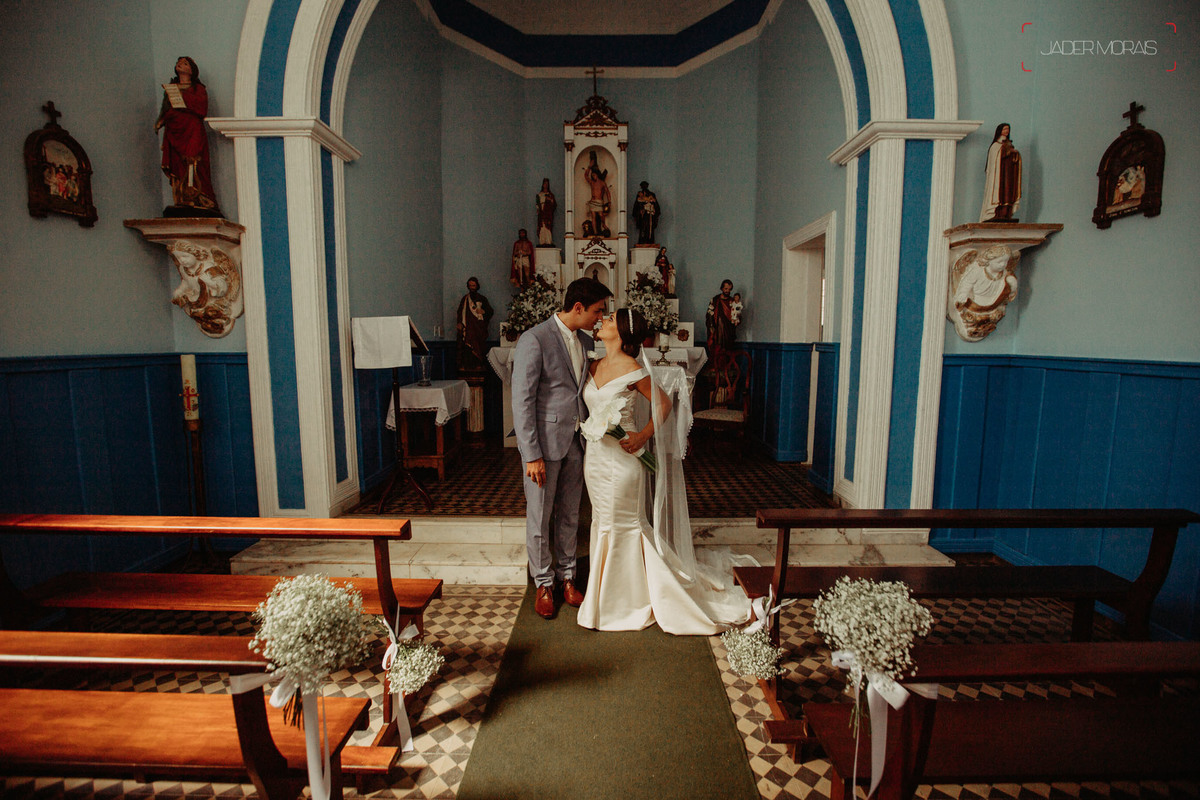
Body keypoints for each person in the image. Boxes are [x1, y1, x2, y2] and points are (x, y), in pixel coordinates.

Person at [576, 308, 755, 635]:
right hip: (596, 460)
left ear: (624, 332)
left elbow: (663, 404)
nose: (602, 322)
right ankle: (602, 599)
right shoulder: (593, 364)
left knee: (625, 523)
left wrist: (641, 436)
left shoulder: (633, 369)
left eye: (610, 320)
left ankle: (629, 602)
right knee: (602, 521)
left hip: (624, 460)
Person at [512, 277, 612, 619]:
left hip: (577, 442)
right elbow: (522, 401)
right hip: (543, 447)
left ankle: (567, 576)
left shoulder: (586, 340)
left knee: (570, 513)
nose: (601, 318)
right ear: (579, 307)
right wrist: (531, 455)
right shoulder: (534, 339)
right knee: (540, 516)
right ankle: (543, 582)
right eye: (598, 311)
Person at [155, 56, 221, 215]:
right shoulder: (171, 89)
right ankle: (183, 199)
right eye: (179, 62)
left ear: (192, 70)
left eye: (185, 63)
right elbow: (165, 108)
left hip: (192, 129)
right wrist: (161, 121)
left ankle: (201, 197)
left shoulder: (198, 89)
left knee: (195, 162)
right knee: (178, 164)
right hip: (175, 129)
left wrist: (183, 96)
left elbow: (201, 108)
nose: (180, 64)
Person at [979, 122, 1021, 223]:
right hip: (999, 176)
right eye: (1004, 129)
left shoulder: (1009, 144)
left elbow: (1012, 158)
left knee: (1008, 193)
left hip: (1008, 175)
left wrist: (1015, 155)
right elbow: (995, 160)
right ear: (1000, 131)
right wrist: (1008, 152)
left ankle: (1006, 212)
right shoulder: (995, 146)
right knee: (999, 193)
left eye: (1008, 129)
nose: (1006, 131)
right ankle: (997, 212)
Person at [456, 276, 493, 372]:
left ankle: (479, 364)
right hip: (468, 329)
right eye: (470, 285)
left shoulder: (482, 299)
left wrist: (483, 312)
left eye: (474, 285)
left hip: (479, 329)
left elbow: (490, 312)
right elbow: (460, 312)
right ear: (468, 286)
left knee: (479, 348)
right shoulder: (465, 299)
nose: (472, 287)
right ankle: (467, 365)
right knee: (467, 347)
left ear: (477, 286)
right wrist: (459, 323)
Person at [706, 279, 739, 357]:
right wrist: (711, 327)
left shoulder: (732, 301)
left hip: (728, 330)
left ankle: (727, 366)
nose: (727, 291)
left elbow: (737, 314)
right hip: (717, 329)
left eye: (729, 289)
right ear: (722, 288)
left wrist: (737, 318)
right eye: (726, 289)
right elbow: (709, 314)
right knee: (717, 348)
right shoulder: (715, 300)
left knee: (727, 350)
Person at [582, 152, 611, 237]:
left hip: (599, 201)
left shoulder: (602, 183)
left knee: (601, 215)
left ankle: (603, 224)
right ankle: (595, 233)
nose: (593, 176)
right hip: (593, 201)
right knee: (593, 217)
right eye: (593, 175)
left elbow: (607, 192)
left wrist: (609, 202)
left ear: (597, 175)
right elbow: (585, 176)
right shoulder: (592, 183)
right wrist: (589, 167)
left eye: (594, 174)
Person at [634, 181, 661, 245]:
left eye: (645, 185)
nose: (644, 187)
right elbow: (636, 205)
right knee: (643, 228)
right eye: (642, 186)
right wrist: (639, 211)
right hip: (643, 214)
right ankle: (642, 240)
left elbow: (656, 205)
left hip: (649, 214)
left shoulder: (652, 194)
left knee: (649, 228)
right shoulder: (639, 195)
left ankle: (650, 240)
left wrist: (652, 207)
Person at [535, 178, 557, 246]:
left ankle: (548, 241)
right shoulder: (539, 194)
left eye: (547, 184)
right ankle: (542, 241)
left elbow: (554, 205)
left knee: (547, 227)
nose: (546, 185)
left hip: (548, 213)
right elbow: (537, 203)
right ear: (542, 184)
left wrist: (550, 200)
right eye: (544, 184)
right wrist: (538, 209)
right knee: (541, 227)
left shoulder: (550, 195)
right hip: (541, 213)